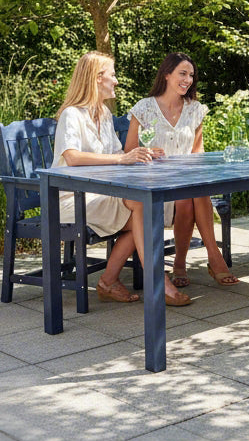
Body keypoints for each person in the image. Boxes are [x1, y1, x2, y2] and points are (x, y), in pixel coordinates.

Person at [52, 51, 190, 307]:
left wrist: (141, 154)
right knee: (141, 209)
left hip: (99, 195)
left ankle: (107, 281)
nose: (116, 81)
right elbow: (71, 156)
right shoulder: (73, 114)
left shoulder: (103, 113)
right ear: (96, 78)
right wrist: (122, 160)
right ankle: (157, 280)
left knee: (145, 214)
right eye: (112, 75)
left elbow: (117, 154)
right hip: (73, 199)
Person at [125, 53, 238, 288]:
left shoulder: (194, 109)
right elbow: (129, 151)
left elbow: (198, 153)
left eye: (191, 75)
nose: (188, 79)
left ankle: (183, 264)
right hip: (153, 182)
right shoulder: (144, 108)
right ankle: (212, 258)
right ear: (166, 75)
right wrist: (147, 154)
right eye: (182, 74)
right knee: (192, 194)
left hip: (185, 181)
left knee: (193, 192)